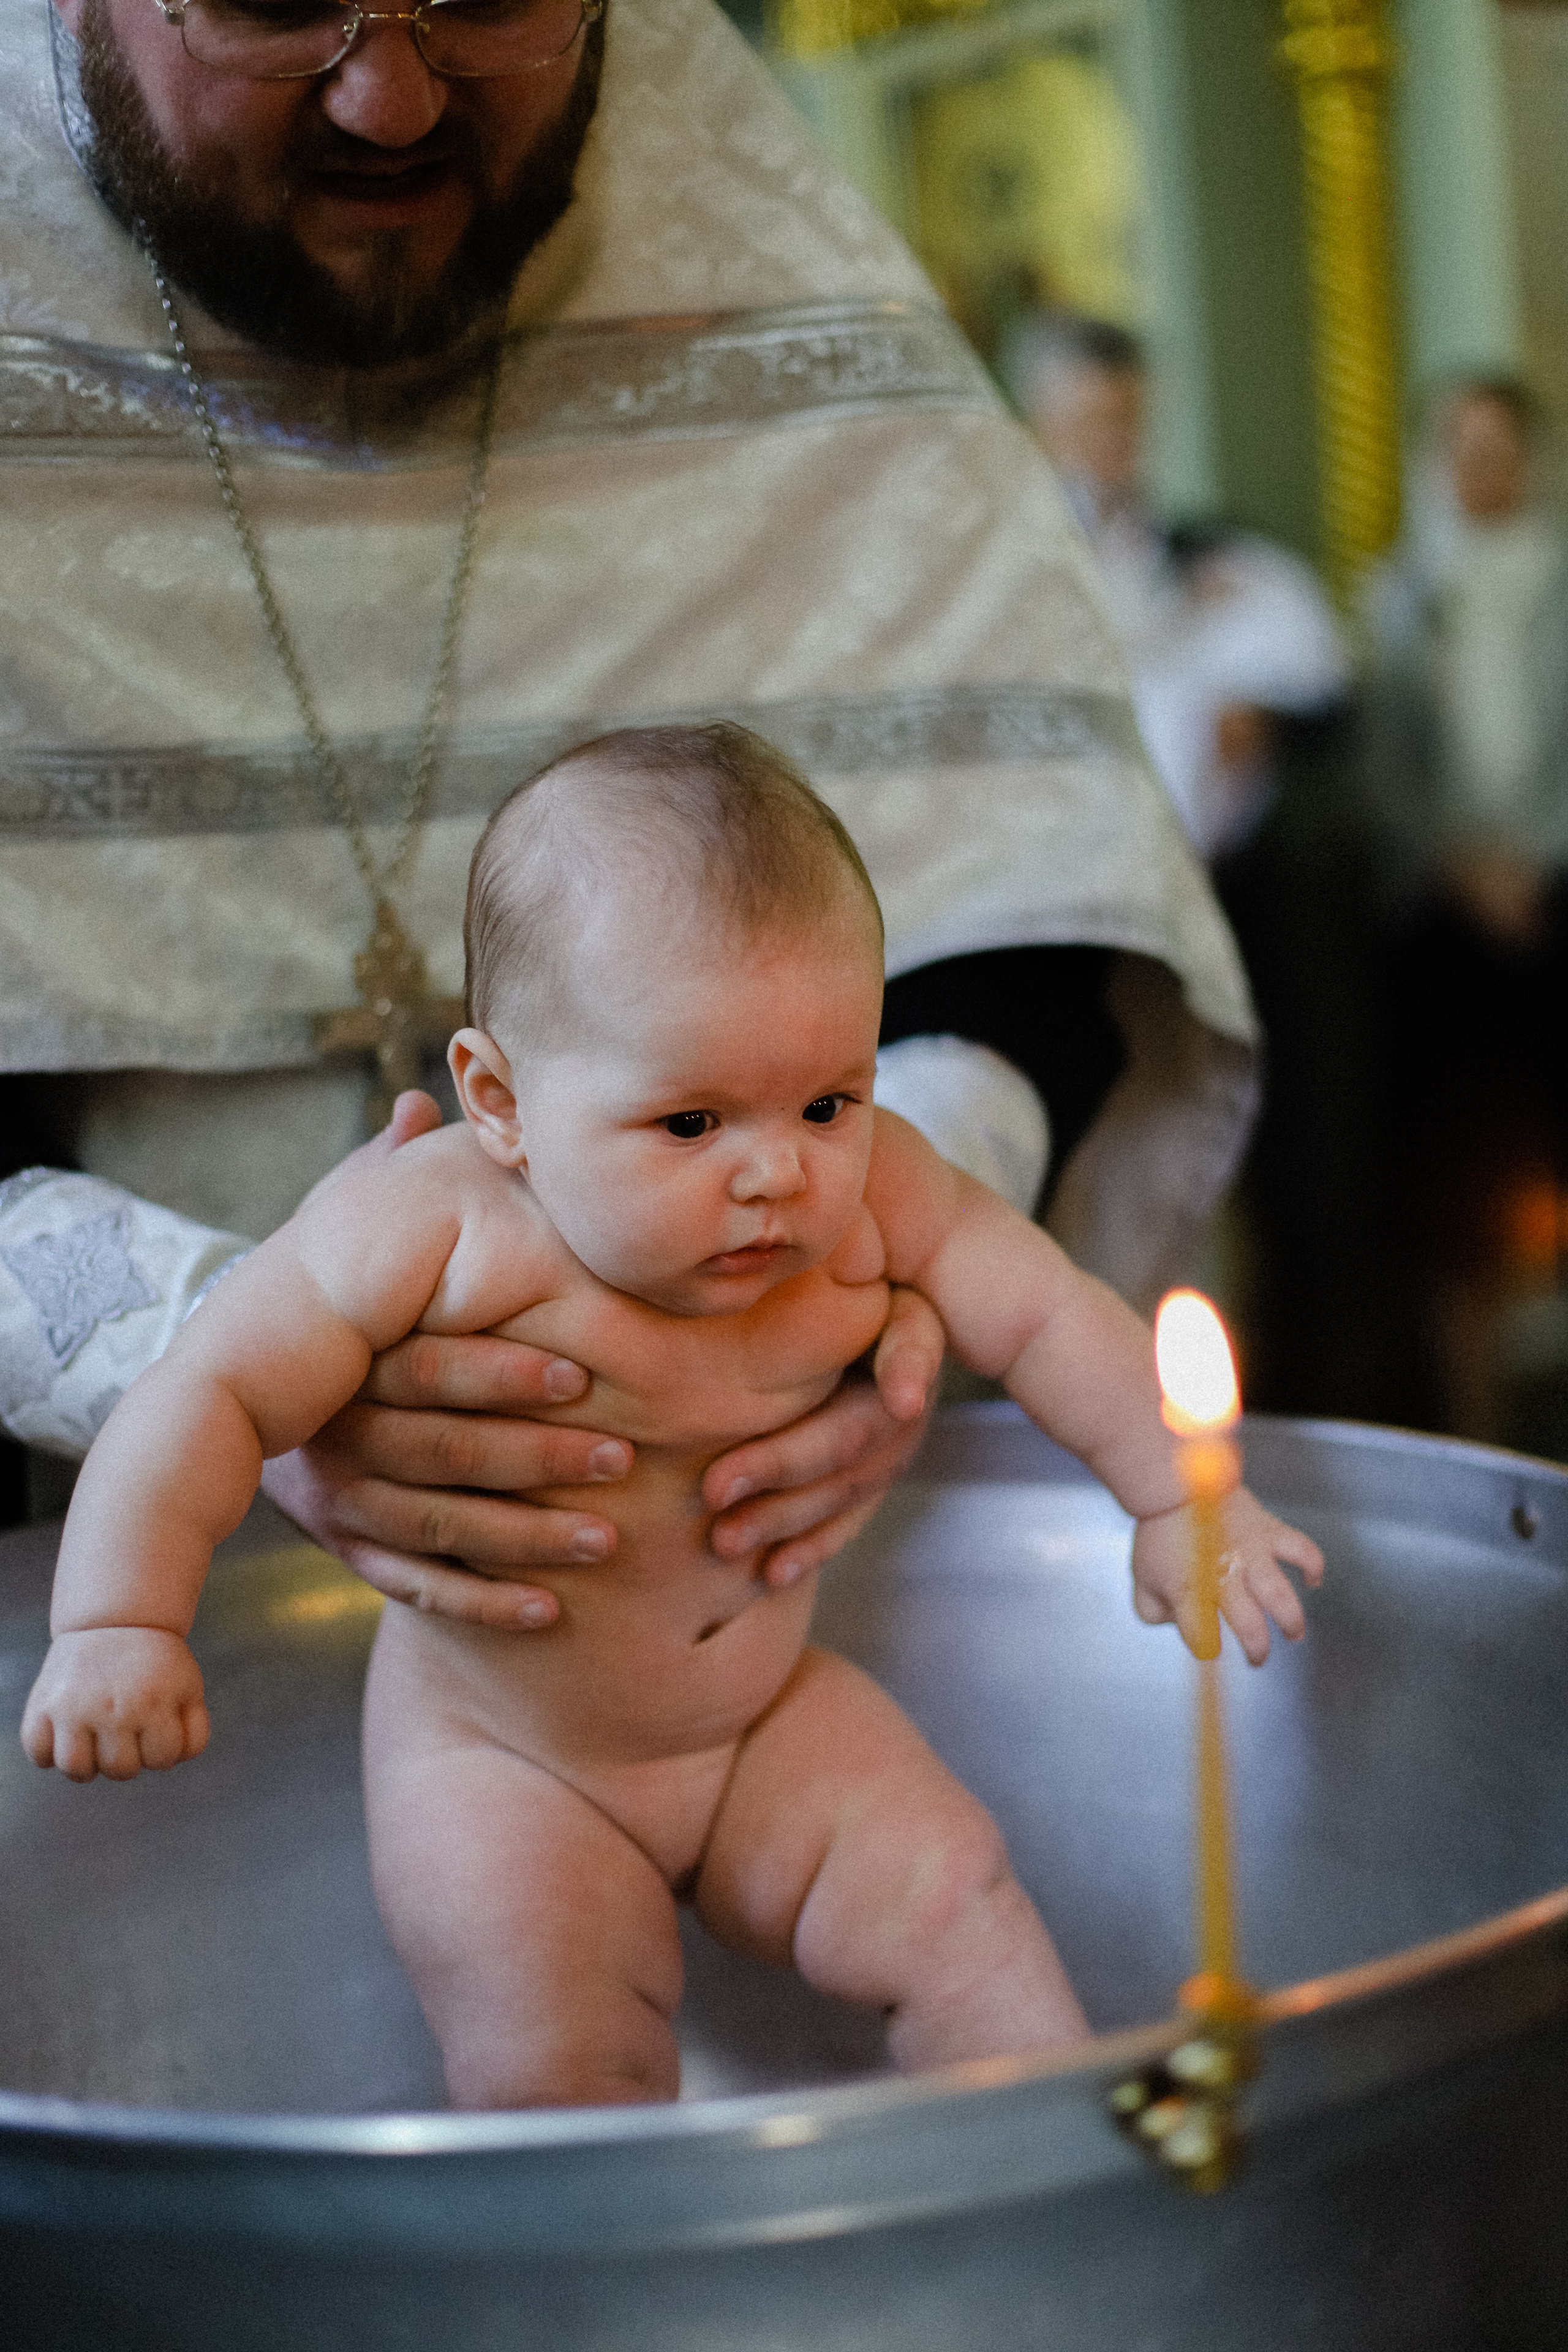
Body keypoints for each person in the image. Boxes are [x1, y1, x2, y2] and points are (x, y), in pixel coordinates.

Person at [0, 0, 1257, 1628]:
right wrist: (217, 1362)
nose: (390, 100)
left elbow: (1023, 902)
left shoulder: (773, 286)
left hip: (724, 1580)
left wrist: (845, 1269)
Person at [21, 723, 1321, 2106]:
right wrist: (118, 1620)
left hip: (764, 1719)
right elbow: (206, 1389)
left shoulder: (876, 1183)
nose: (777, 1171)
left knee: (956, 1900)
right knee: (559, 2063)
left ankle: (1056, 2178)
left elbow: (1048, 1311)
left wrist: (1177, 1493)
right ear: (500, 1100)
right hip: (506, 1758)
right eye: (691, 1123)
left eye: (827, 1095)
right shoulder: (427, 1223)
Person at [1360, 375, 1568, 1439]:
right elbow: (1382, 773)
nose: (1482, 472)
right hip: (1444, 925)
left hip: (1558, 900)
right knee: (1458, 1179)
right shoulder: (1399, 596)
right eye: (1461, 451)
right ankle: (1475, 1419)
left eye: (1500, 450)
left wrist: (1533, 862)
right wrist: (1463, 865)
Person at [1003, 312, 1350, 863]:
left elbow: (1326, 696)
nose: (1116, 443)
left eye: (1131, 421)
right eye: (1095, 421)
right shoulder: (1005, 567)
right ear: (1040, 426)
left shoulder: (1209, 555)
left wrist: (1262, 720)